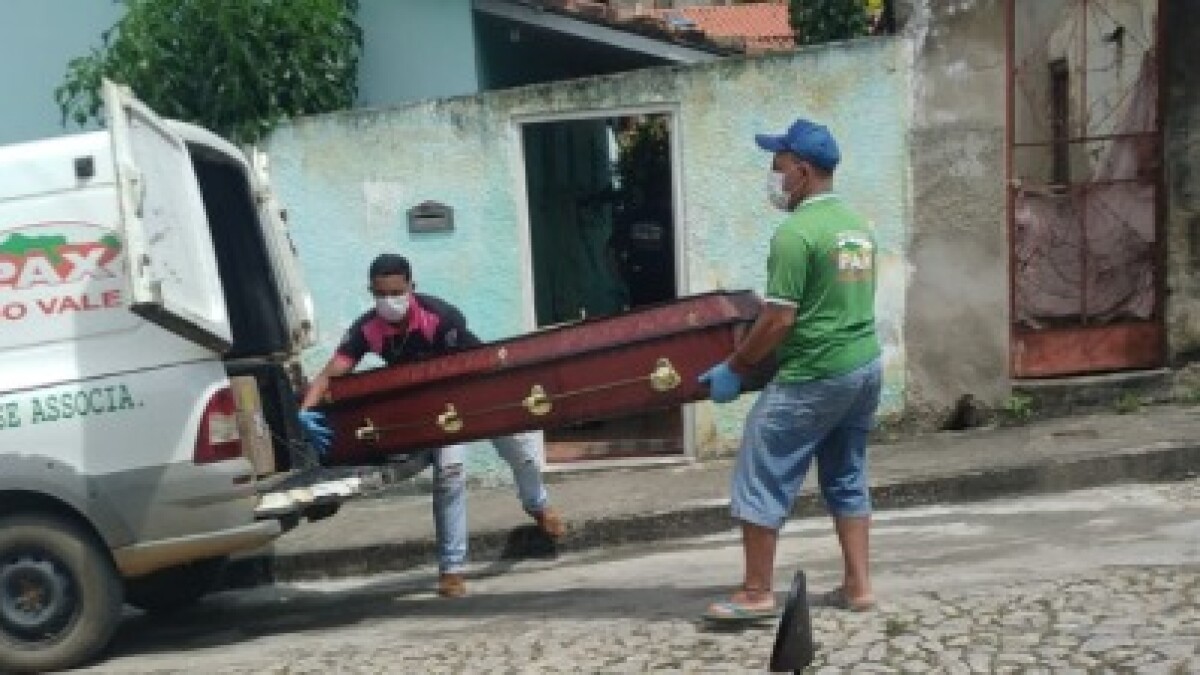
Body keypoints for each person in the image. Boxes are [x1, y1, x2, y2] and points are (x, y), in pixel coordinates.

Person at [297, 254, 565, 599]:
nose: (389, 301)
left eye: (396, 292)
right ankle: (451, 569)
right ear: (371, 292)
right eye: (381, 294)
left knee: (519, 451)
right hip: (438, 410)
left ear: (411, 287)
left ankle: (538, 505)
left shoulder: (440, 317)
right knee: (449, 474)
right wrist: (306, 410)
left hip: (474, 391)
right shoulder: (368, 329)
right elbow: (334, 371)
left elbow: (477, 360)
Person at [698, 118, 882, 620]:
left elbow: (778, 318)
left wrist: (736, 365)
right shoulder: (856, 224)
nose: (772, 176)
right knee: (846, 472)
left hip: (815, 372)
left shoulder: (795, 234)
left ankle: (757, 592)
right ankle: (859, 586)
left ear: (801, 170)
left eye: (777, 166)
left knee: (762, 466)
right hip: (864, 366)